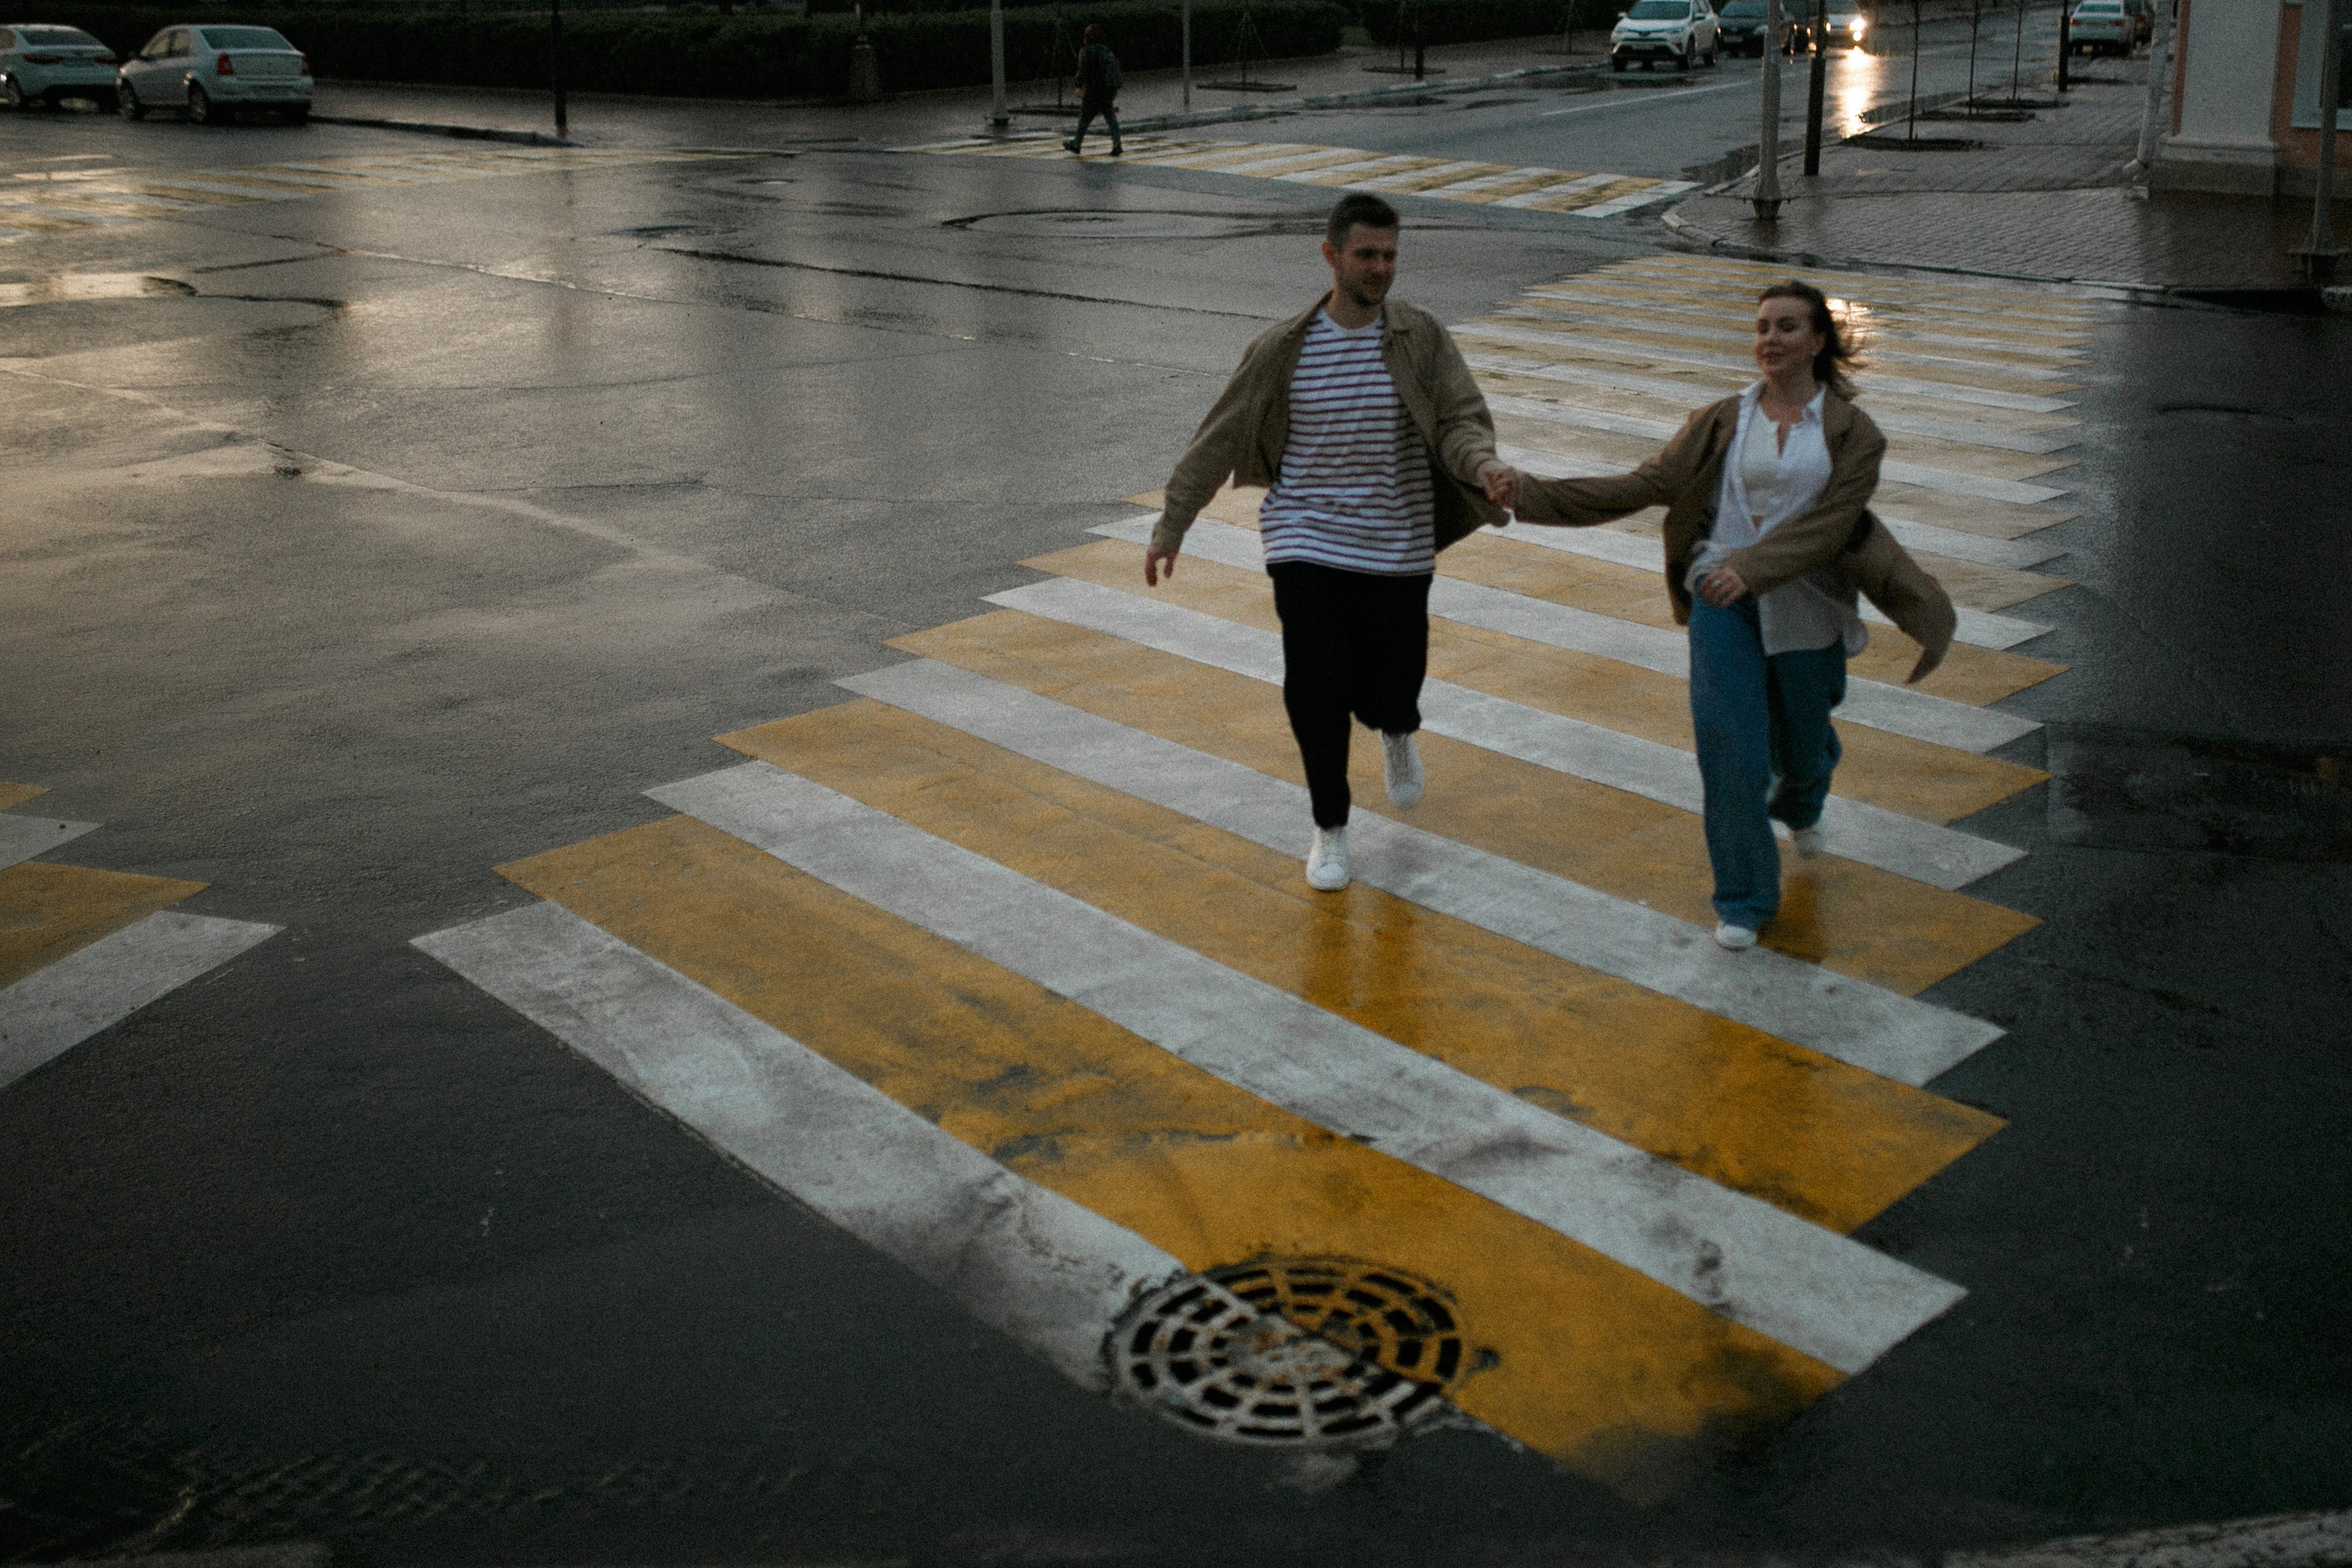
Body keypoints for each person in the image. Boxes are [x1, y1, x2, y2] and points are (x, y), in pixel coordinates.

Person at [1494, 279, 1957, 951]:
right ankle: (1743, 897)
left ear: (1818, 341)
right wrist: (1528, 494)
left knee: (1801, 740)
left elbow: (1829, 528)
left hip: (1808, 606)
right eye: (1763, 326)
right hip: (1719, 595)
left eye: (1788, 327)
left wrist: (1755, 570)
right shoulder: (1721, 420)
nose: (1770, 339)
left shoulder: (1855, 435)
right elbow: (1645, 484)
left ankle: (1803, 793)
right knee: (1730, 746)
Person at [1147, 192, 1516, 892]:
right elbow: (1219, 436)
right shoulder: (1283, 349)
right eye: (1366, 255)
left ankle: (1397, 727)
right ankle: (1330, 827)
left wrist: (1483, 465)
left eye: (1389, 256)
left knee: (1391, 684)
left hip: (1398, 544)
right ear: (1331, 256)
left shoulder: (1421, 337)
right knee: (1316, 687)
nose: (1380, 269)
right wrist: (1173, 523)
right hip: (1304, 539)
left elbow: (1460, 421)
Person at [1064, 25, 1123, 157]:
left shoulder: (1087, 51)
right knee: (1110, 116)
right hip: (1107, 89)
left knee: (1084, 118)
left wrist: (1078, 86)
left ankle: (1076, 144)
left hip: (1093, 89)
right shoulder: (1105, 50)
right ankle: (1117, 144)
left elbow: (1083, 70)